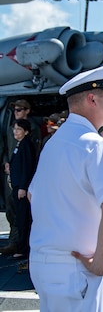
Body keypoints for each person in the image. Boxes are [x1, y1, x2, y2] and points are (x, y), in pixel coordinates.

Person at [28, 63, 103, 312]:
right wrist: (99, 264)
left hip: (43, 263)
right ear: (91, 99)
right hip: (78, 267)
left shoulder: (53, 143)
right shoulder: (97, 146)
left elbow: (33, 195)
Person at [0, 99, 41, 255]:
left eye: (19, 109)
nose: (16, 112)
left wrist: (24, 185)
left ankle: (21, 244)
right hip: (12, 176)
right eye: (15, 110)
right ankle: (14, 241)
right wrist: (6, 163)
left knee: (23, 214)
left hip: (22, 180)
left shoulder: (31, 132)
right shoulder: (13, 130)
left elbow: (31, 159)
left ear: (27, 111)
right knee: (12, 211)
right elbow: (6, 148)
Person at [5, 119, 36, 259]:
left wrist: (23, 187)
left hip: (22, 188)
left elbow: (27, 168)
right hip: (16, 186)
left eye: (18, 129)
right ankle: (21, 245)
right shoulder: (19, 144)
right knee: (19, 217)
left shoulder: (26, 145)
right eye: (14, 129)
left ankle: (24, 248)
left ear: (26, 131)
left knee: (24, 219)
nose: (15, 132)